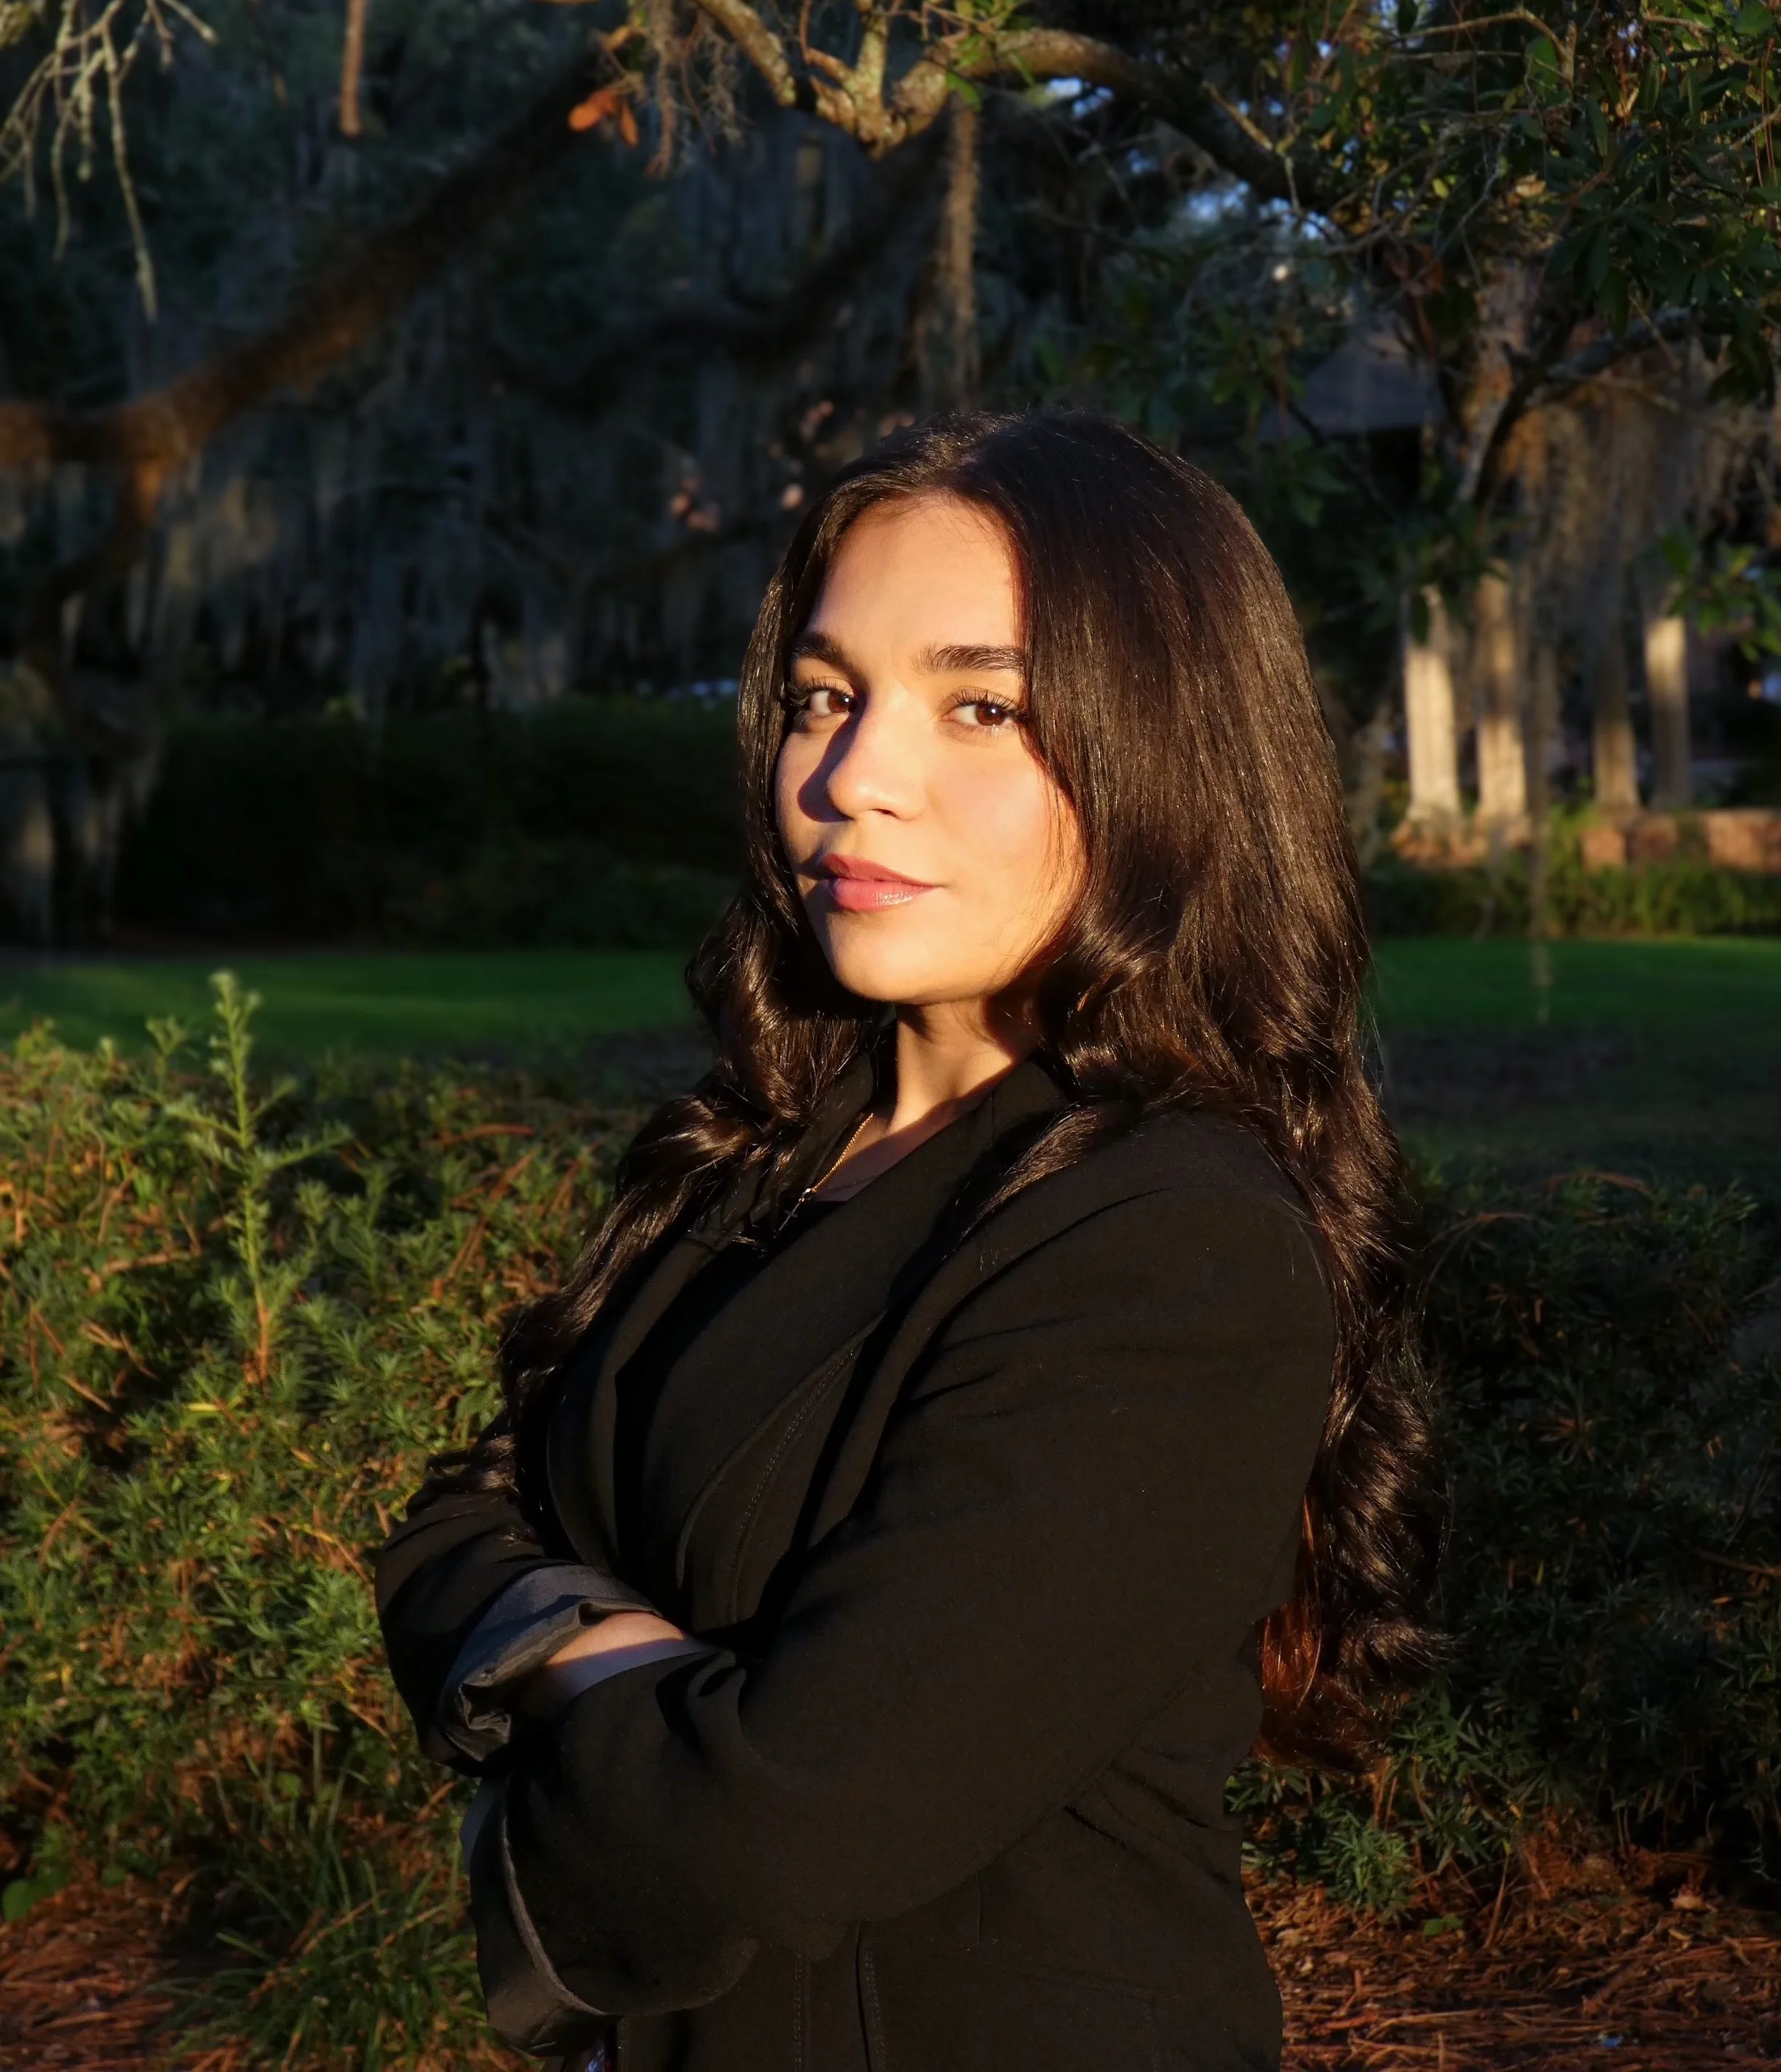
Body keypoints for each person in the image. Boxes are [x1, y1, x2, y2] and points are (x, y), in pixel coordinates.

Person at [374, 410, 1441, 2072]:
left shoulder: (1169, 1245)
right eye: (822, 693)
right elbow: (459, 1514)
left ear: (1167, 750)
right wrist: (618, 1668)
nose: (850, 776)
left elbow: (783, 1826)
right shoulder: (764, 1146)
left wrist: (543, 1660)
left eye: (981, 706)